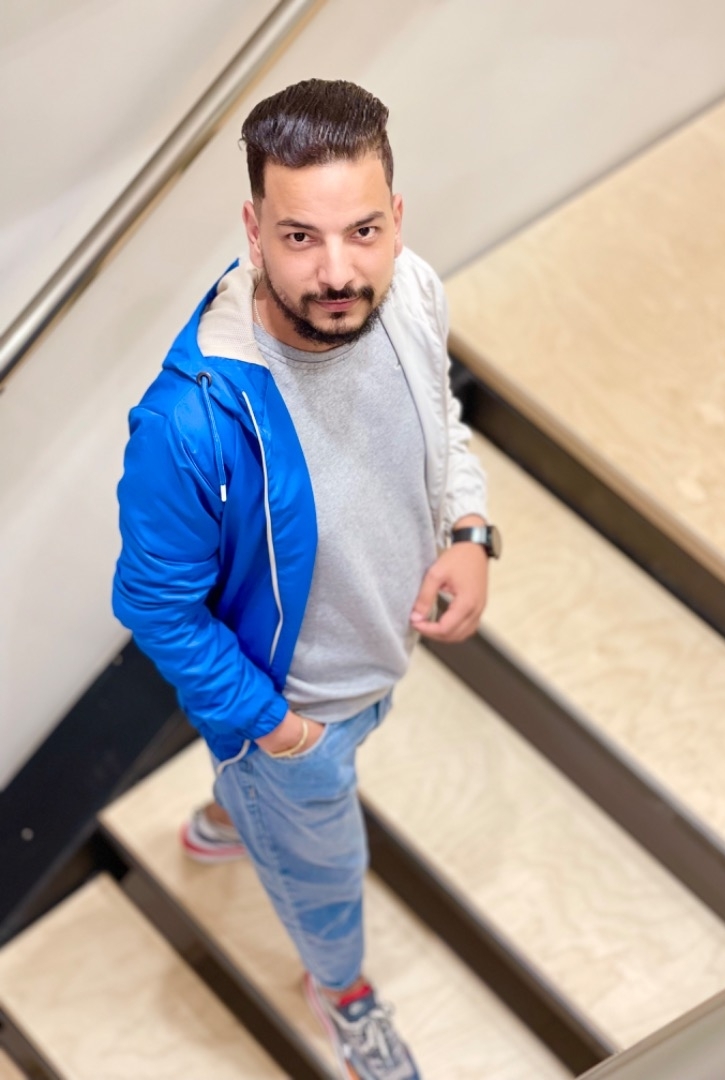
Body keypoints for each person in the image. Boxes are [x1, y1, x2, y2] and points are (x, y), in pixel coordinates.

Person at [113, 78, 501, 1080]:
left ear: (396, 217)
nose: (338, 271)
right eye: (299, 238)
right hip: (298, 714)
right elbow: (155, 603)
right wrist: (278, 731)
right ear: (253, 229)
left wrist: (469, 529)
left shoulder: (410, 291)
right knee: (329, 875)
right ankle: (342, 991)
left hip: (380, 655)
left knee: (271, 808)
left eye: (363, 231)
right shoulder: (190, 422)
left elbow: (444, 423)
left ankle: (229, 818)